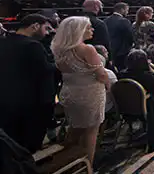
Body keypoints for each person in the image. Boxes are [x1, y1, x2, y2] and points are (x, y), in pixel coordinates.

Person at [52, 16, 110, 165]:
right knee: (91, 131)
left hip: (69, 92)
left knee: (74, 128)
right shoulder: (86, 48)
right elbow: (101, 74)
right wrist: (109, 86)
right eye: (89, 27)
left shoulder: (58, 48)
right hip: (89, 93)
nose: (92, 29)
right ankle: (87, 165)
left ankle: (67, 160)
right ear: (79, 30)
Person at [0, 14, 56, 153]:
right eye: (45, 28)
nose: (47, 32)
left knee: (10, 144)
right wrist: (58, 65)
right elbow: (44, 71)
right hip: (30, 103)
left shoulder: (3, 42)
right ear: (35, 26)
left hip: (6, 99)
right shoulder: (32, 45)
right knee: (28, 146)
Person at [103, 2, 133, 71]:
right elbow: (130, 36)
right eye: (127, 10)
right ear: (122, 9)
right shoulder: (124, 21)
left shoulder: (105, 20)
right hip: (121, 52)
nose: (127, 12)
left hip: (109, 50)